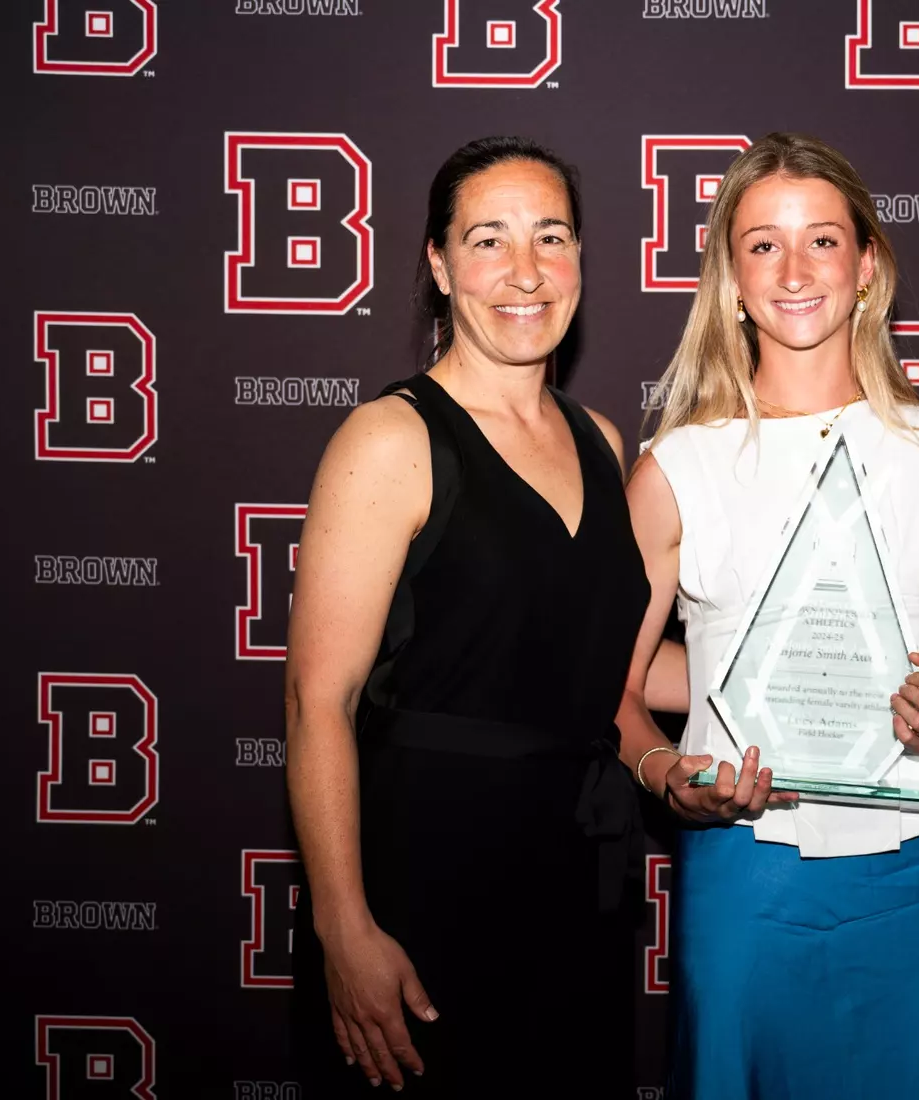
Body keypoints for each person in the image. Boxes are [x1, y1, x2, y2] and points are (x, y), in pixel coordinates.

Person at [615, 132, 919, 1099]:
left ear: (868, 264)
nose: (794, 270)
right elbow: (619, 695)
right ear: (728, 276)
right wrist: (668, 775)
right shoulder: (676, 468)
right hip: (747, 865)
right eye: (762, 244)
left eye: (823, 241)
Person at [283, 136, 651, 1097]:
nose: (525, 273)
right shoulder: (390, 438)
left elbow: (605, 672)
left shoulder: (602, 441)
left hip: (576, 886)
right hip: (425, 884)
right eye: (488, 241)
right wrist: (343, 924)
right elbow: (318, 702)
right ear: (440, 267)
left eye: (552, 237)